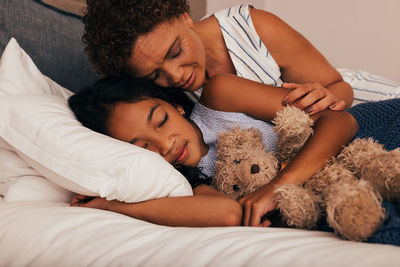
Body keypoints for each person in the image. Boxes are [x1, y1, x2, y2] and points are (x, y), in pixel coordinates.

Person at [69, 74, 358, 228]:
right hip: (335, 191)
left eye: (161, 120)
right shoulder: (185, 183)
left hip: (358, 145)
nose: (166, 144)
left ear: (175, 106)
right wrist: (110, 205)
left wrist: (278, 186)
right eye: (145, 148)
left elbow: (339, 120)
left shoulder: (221, 97)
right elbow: (228, 214)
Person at [82, 0, 354, 116]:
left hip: (356, 104)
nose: (175, 76)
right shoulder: (158, 96)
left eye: (175, 52)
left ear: (184, 16)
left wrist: (324, 95)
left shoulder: (254, 27)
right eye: (154, 74)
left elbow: (341, 86)